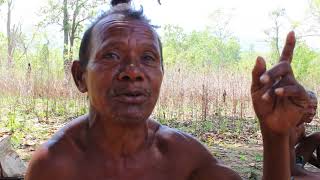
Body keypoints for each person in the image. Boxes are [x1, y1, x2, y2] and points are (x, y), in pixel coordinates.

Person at [25, 0, 310, 179]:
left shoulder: (183, 159)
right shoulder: (56, 165)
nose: (133, 72)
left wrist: (274, 138)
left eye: (148, 58)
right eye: (111, 55)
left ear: (162, 74)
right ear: (79, 76)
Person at [290, 91, 320, 179]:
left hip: (293, 162)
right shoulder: (286, 128)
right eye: (308, 107)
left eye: (315, 108)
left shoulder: (300, 126)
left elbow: (306, 151)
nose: (312, 112)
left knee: (318, 136)